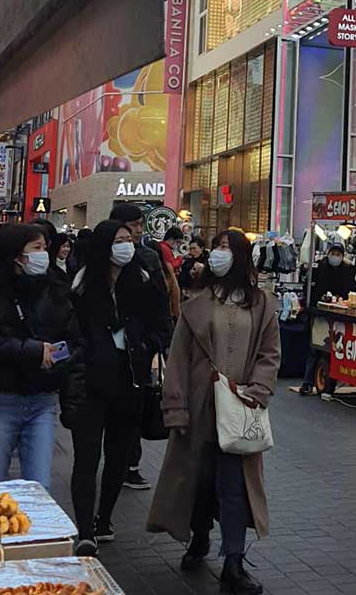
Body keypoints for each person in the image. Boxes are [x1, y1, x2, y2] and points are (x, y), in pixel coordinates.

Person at [147, 229, 279, 595]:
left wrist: (258, 389)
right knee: (201, 482)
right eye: (216, 247)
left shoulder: (262, 303)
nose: (219, 254)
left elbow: (270, 353)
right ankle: (200, 537)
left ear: (241, 256)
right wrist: (175, 407)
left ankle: (233, 563)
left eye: (226, 248)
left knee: (234, 487)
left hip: (238, 409)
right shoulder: (197, 302)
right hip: (200, 406)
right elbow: (177, 360)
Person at [66, 220, 167, 555]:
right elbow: (69, 330)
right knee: (86, 457)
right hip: (90, 383)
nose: (127, 245)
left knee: (118, 457)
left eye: (129, 239)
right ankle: (84, 530)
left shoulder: (142, 279)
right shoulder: (82, 283)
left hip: (130, 381)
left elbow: (162, 326)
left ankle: (103, 519)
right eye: (119, 240)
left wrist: (145, 346)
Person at [0, 223, 81, 488]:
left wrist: (56, 357)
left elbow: (74, 339)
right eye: (36, 248)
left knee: (39, 487)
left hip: (42, 401)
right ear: (17, 255)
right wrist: (33, 351)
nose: (43, 255)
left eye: (45, 248)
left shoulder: (56, 291)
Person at [109, 202, 173, 490]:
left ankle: (130, 463)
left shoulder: (149, 255)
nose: (137, 230)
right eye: (132, 225)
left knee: (136, 403)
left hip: (140, 348)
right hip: (106, 350)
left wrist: (159, 341)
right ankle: (115, 459)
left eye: (138, 225)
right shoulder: (99, 255)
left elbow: (161, 298)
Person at [299, 240, 356, 396]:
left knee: (337, 348)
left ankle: (331, 380)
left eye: (338, 254)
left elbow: (352, 290)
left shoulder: (348, 269)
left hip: (340, 314)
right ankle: (307, 382)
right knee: (315, 348)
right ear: (328, 253)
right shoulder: (318, 267)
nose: (335, 257)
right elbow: (309, 287)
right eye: (333, 253)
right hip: (318, 313)